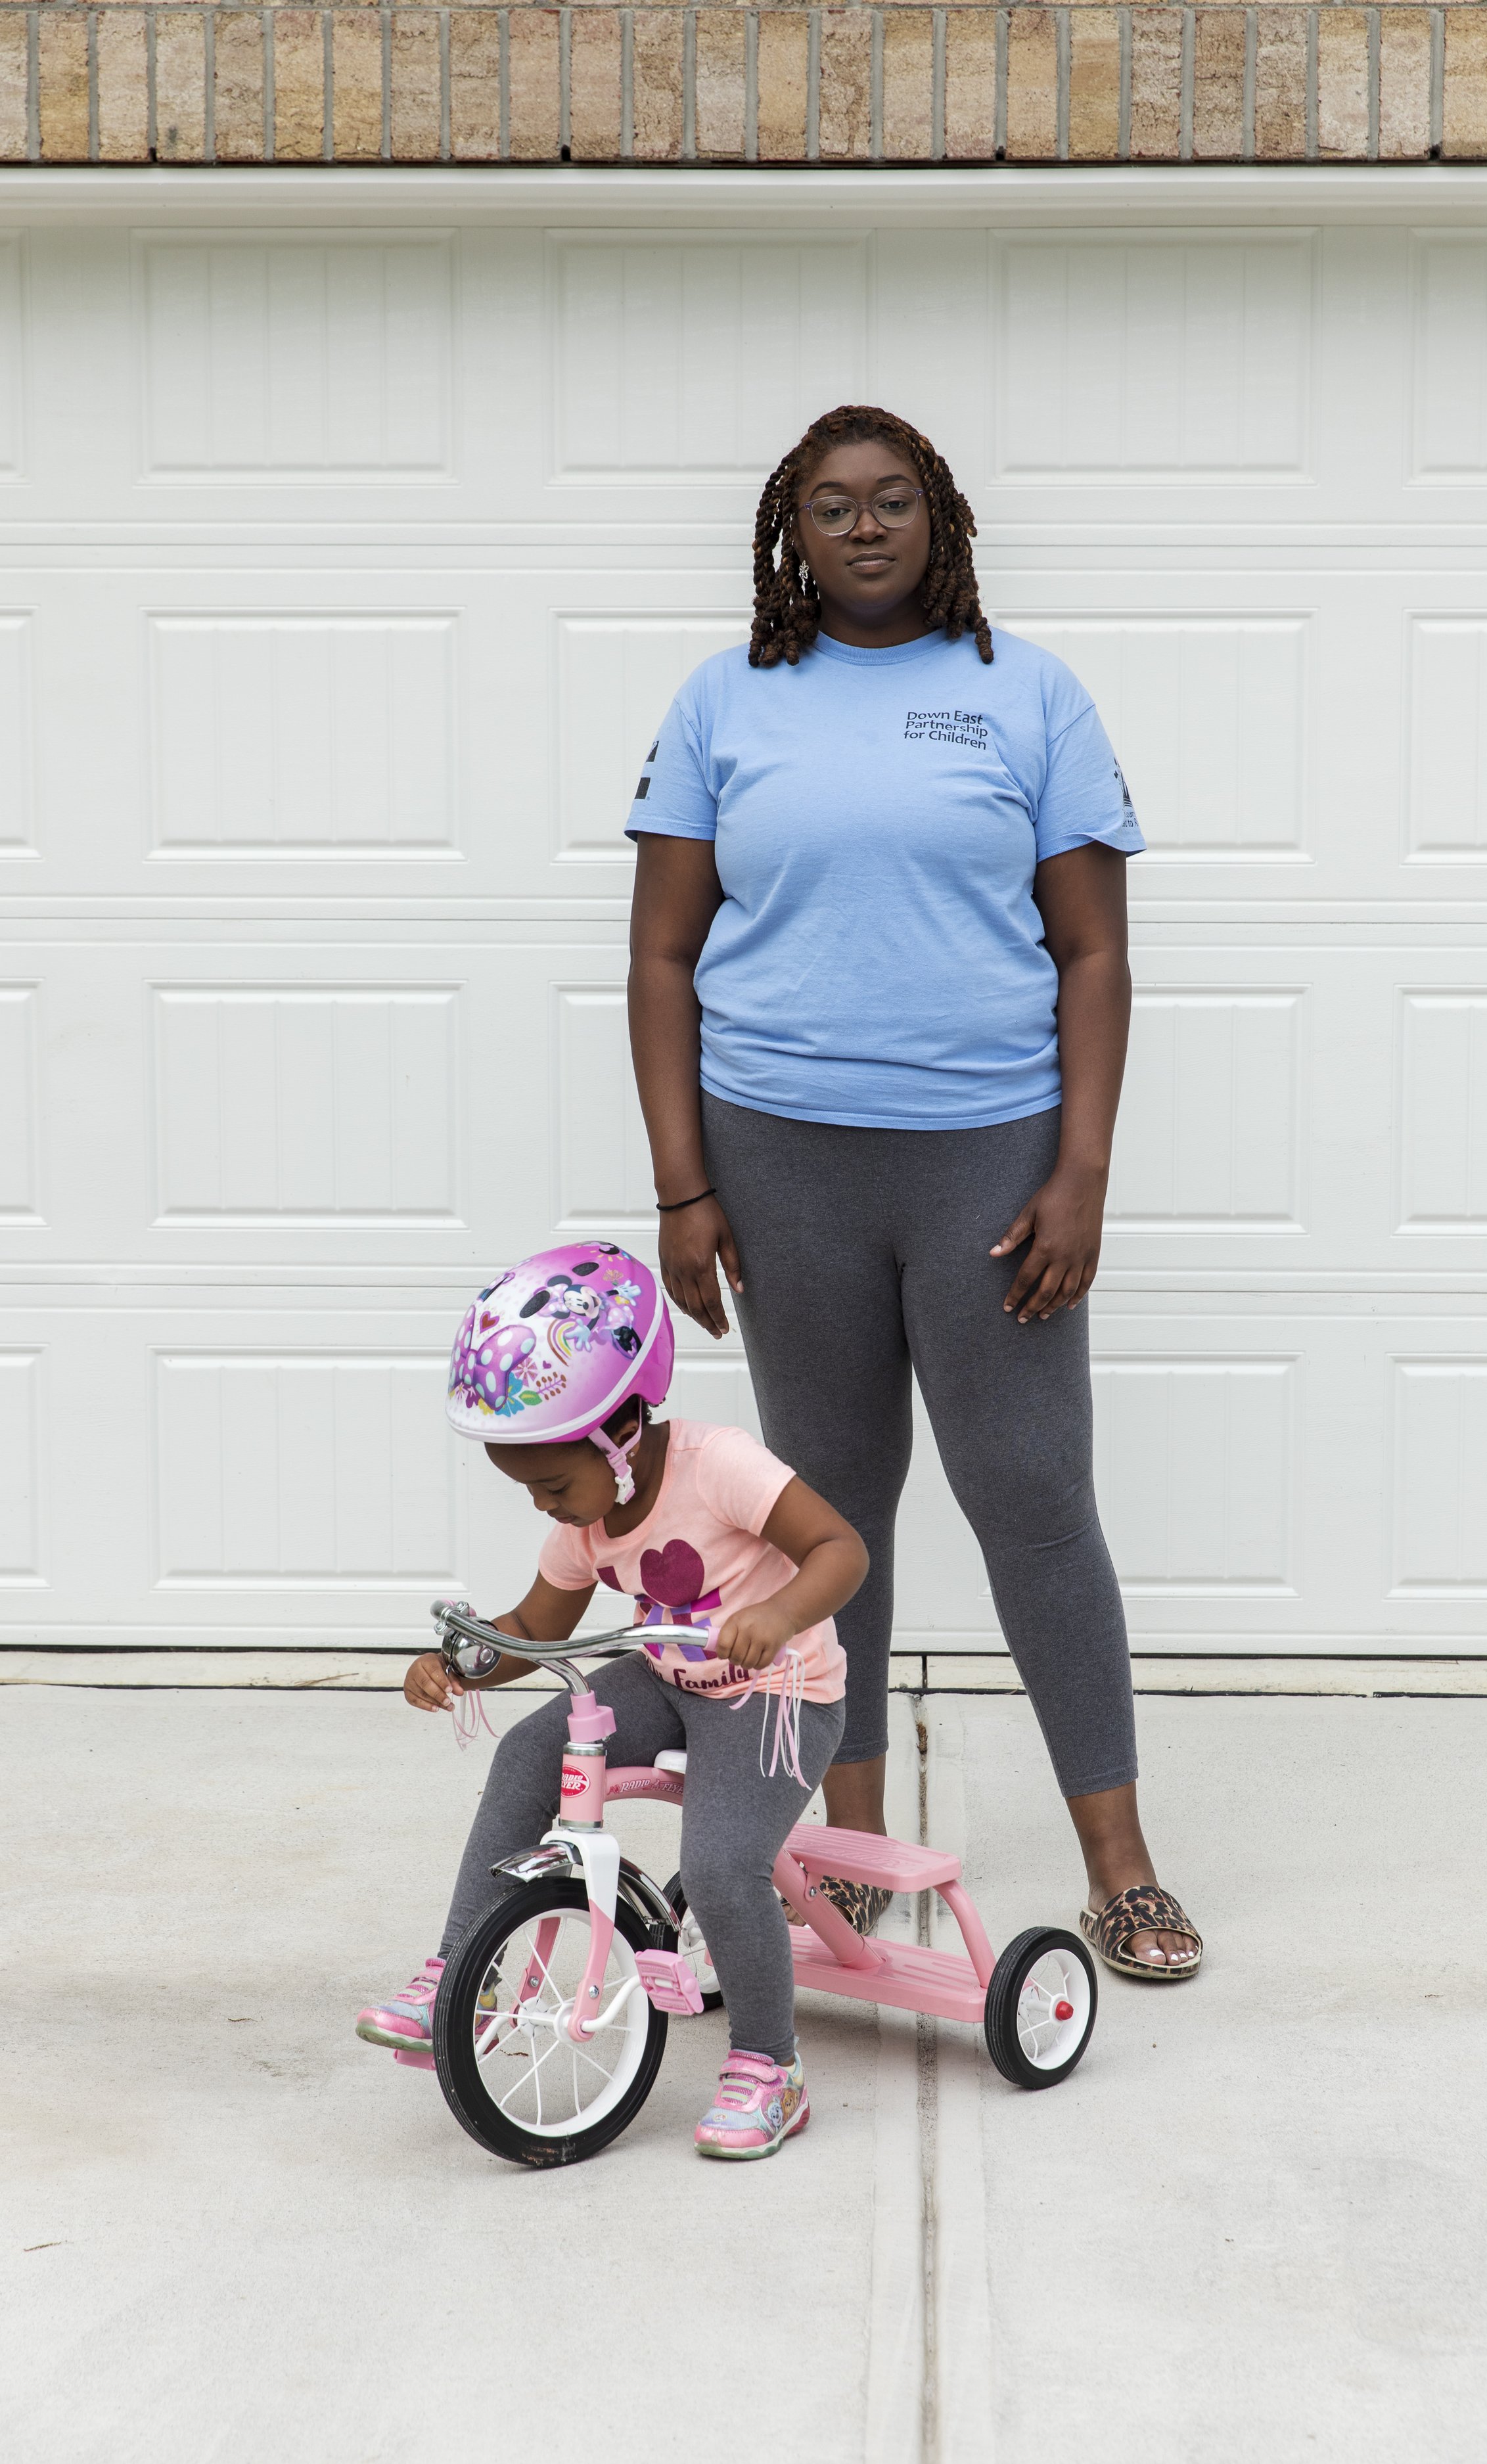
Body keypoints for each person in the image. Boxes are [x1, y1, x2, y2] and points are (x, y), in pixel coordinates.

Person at [626, 403, 1201, 1980]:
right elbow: (661, 954)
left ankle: (1121, 1862)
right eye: (830, 506)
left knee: (1030, 1497)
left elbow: (1094, 950)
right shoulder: (723, 699)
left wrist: (1078, 1171)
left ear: (939, 520)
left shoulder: (1028, 694)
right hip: (780, 1157)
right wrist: (684, 1189)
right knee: (827, 1510)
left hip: (987, 1164)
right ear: (787, 534)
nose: (863, 527)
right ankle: (847, 1851)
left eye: (892, 502)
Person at [355, 1244, 867, 2160]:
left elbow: (840, 1548)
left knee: (719, 1868)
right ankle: (456, 1976)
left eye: (554, 1484)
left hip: (777, 1694)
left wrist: (779, 1612)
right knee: (527, 1753)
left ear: (622, 1429)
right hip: (670, 1679)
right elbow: (536, 1624)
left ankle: (769, 2065)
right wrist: (463, 1663)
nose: (550, 1507)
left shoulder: (721, 1466)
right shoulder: (586, 1518)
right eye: (532, 1490)